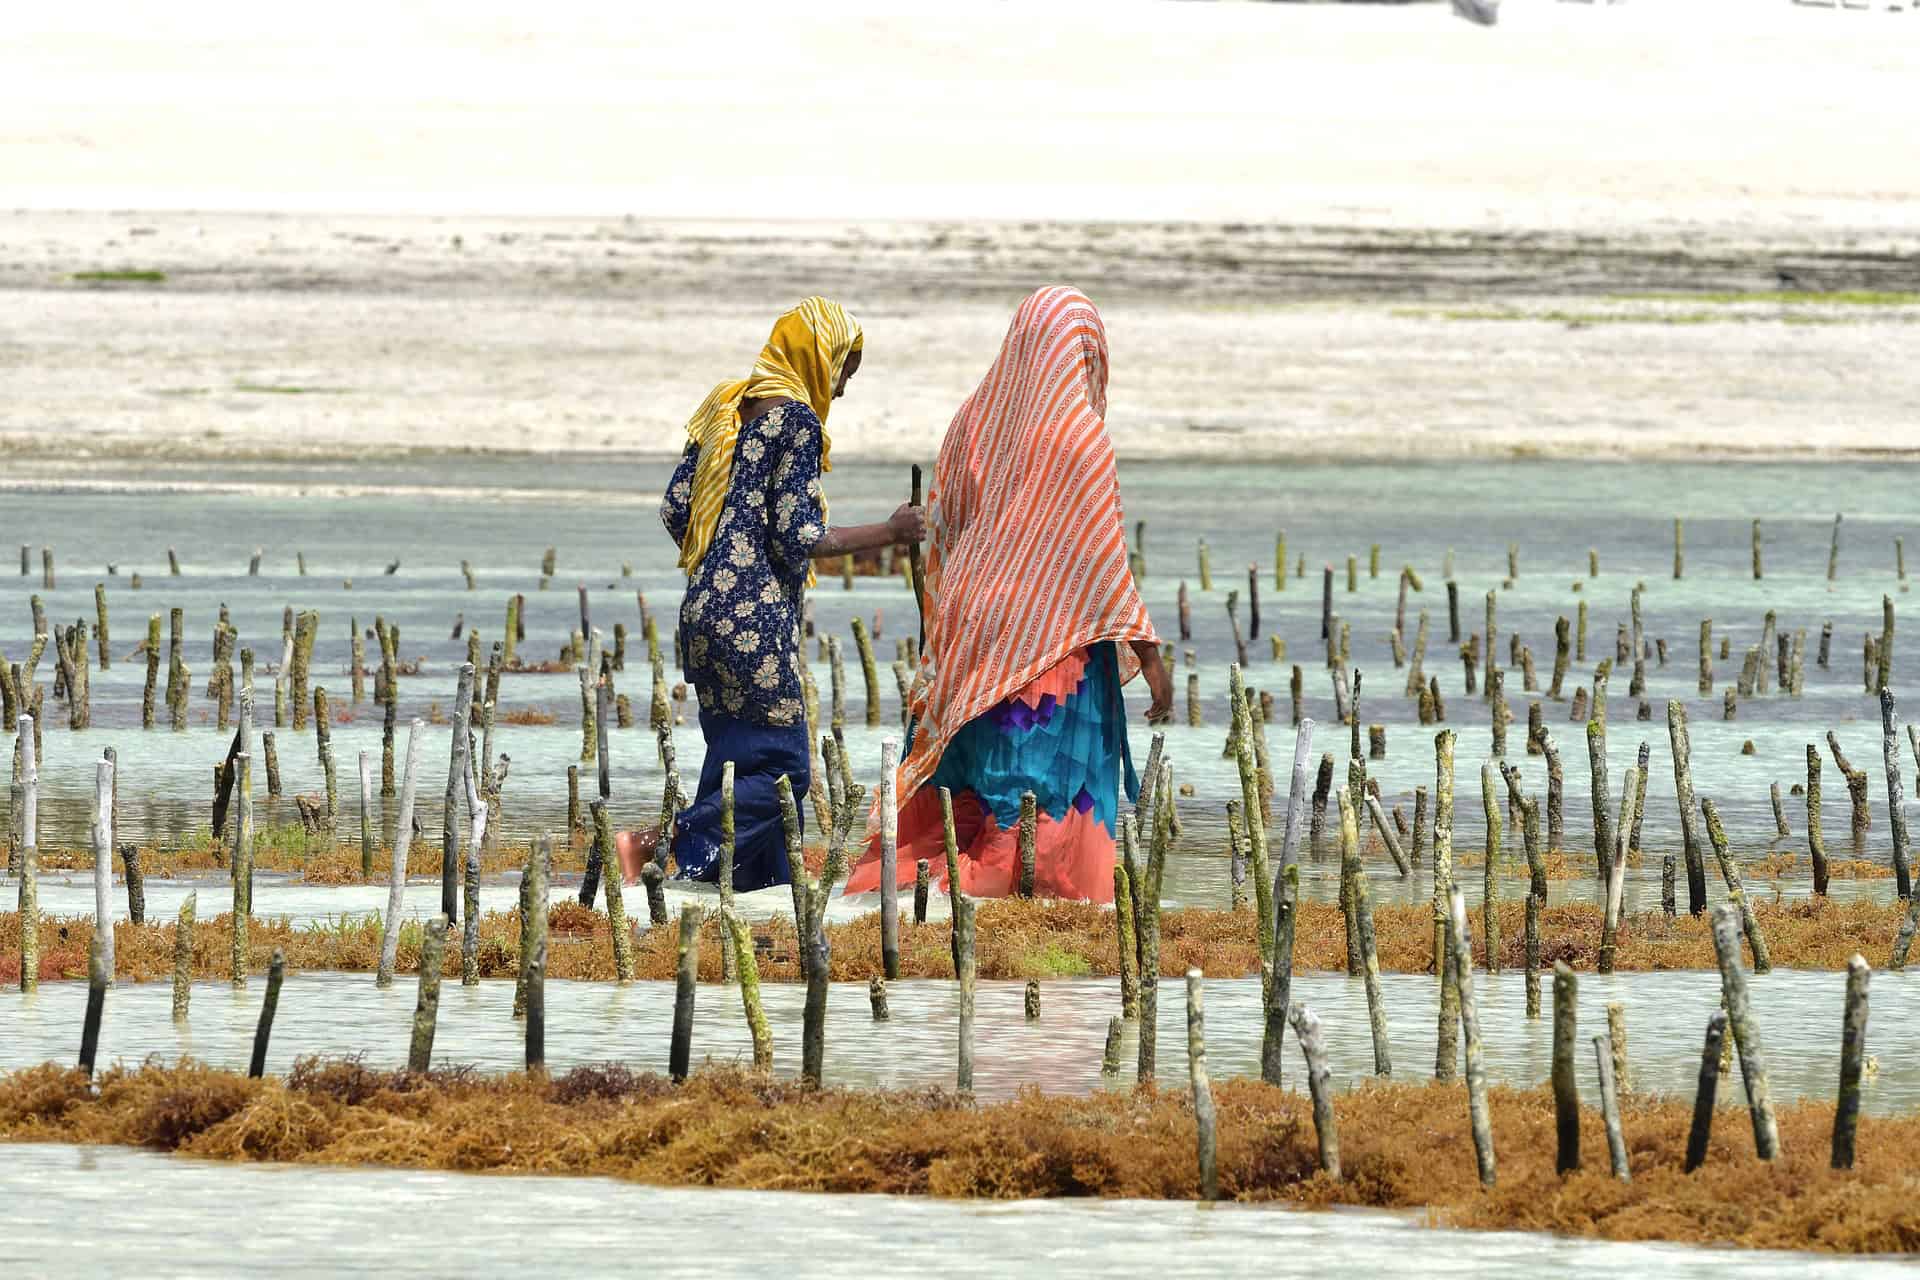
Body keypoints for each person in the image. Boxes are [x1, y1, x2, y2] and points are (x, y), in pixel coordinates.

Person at [844, 285, 1170, 903]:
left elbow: (950, 523)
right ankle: (999, 913)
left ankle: (930, 903)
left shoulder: (974, 419)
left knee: (972, 795)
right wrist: (1150, 658)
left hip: (978, 636)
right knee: (1033, 805)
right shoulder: (1080, 438)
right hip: (1049, 649)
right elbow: (1101, 559)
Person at [621, 297, 925, 891]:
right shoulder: (797, 422)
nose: (838, 391)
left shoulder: (725, 407)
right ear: (816, 357)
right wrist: (891, 532)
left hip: (703, 615)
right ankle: (650, 850)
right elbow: (797, 535)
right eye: (841, 372)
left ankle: (754, 897)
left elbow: (675, 508)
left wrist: (724, 555)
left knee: (735, 768)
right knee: (785, 773)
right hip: (753, 626)